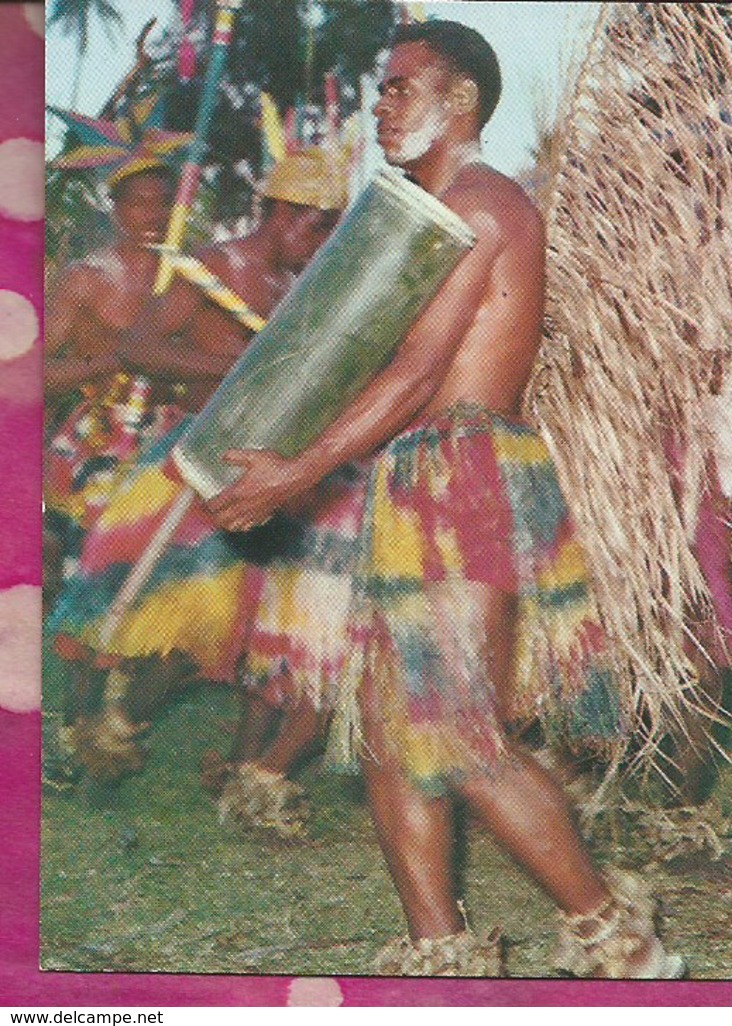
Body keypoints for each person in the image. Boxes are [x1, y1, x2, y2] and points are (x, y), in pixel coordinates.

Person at [202, 21, 681, 977]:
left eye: (399, 86)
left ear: (458, 100)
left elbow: (422, 371)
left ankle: (618, 941)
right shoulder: (422, 210)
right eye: (382, 89)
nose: (380, 105)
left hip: (464, 471)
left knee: (459, 733)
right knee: (389, 729)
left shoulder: (478, 201)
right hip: (420, 474)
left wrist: (293, 477)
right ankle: (440, 957)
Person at [47, 150, 347, 794]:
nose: (322, 243)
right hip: (189, 462)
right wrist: (240, 370)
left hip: (252, 473)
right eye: (319, 227)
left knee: (217, 636)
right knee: (126, 609)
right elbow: (140, 347)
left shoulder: (294, 288)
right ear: (286, 215)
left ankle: (119, 726)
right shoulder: (214, 268)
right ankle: (80, 736)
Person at [43, 164, 180, 568]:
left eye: (163, 204)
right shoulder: (85, 278)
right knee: (87, 568)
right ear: (114, 206)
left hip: (167, 439)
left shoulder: (183, 274)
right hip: (99, 442)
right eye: (139, 204)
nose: (153, 216)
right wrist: (113, 360)